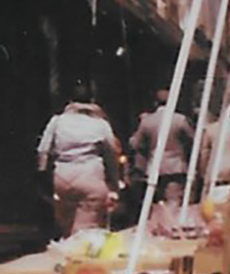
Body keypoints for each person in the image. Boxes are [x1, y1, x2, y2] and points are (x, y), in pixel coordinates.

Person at [38, 83, 122, 237]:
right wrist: (115, 183)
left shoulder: (57, 121)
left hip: (62, 178)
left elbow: (43, 150)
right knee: (87, 225)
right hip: (90, 176)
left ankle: (67, 249)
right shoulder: (101, 124)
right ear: (93, 101)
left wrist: (44, 175)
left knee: (67, 224)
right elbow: (111, 155)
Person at [127, 83, 193, 222]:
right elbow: (191, 140)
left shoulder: (147, 121)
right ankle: (171, 225)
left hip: (154, 167)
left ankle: (161, 225)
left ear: (156, 103)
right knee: (174, 199)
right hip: (175, 166)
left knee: (158, 201)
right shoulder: (180, 119)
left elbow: (136, 144)